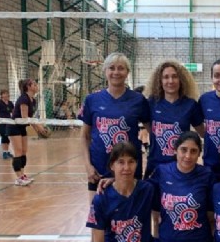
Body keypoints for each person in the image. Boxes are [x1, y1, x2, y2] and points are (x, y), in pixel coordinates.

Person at [79, 52, 150, 200]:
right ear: (105, 71)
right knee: (99, 219)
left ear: (127, 72)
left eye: (121, 68)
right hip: (98, 170)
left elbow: (154, 132)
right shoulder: (92, 100)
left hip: (128, 169)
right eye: (112, 68)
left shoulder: (138, 100)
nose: (116, 72)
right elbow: (84, 136)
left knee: (129, 219)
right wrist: (88, 166)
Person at [149, 131, 214, 242]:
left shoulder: (207, 175)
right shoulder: (162, 171)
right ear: (175, 150)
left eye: (193, 151)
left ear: (199, 154)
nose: (188, 156)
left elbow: (211, 217)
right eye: (183, 150)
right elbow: (155, 212)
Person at [144, 60, 204, 179]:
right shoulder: (151, 103)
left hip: (180, 167)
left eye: (174, 77)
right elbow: (150, 129)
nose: (170, 81)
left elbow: (203, 132)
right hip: (155, 165)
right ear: (160, 81)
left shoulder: (190, 105)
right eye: (166, 77)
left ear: (181, 80)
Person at [86, 141, 155, 242]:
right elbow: (98, 239)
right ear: (112, 166)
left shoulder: (147, 190)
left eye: (131, 162)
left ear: (136, 164)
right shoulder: (101, 198)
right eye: (121, 162)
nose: (126, 168)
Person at [8, 78, 46, 186]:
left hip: (22, 127)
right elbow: (25, 117)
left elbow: (29, 117)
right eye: (34, 84)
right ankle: (18, 177)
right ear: (29, 87)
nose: (37, 86)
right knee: (18, 152)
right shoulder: (23, 98)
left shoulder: (32, 100)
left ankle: (23, 175)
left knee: (24, 151)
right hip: (14, 127)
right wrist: (38, 125)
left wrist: (38, 129)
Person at [0, 89, 14, 159]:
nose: (5, 95)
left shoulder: (10, 103)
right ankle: (4, 153)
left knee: (7, 137)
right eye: (4, 94)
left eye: (6, 93)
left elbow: (13, 113)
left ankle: (7, 152)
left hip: (9, 123)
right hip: (0, 123)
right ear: (1, 95)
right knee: (4, 135)